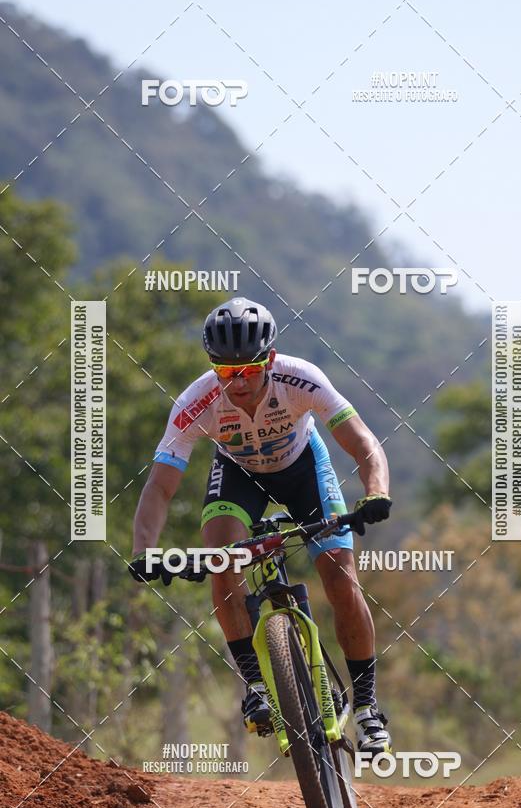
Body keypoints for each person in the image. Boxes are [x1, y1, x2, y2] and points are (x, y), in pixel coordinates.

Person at [129, 297, 392, 755]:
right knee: (221, 561)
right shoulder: (196, 402)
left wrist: (375, 492)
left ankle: (368, 707)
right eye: (227, 373)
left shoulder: (300, 379)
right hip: (238, 476)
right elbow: (160, 487)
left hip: (304, 469)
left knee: (338, 573)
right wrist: (144, 550)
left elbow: (364, 443)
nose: (239, 383)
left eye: (249, 370)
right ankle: (256, 683)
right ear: (213, 366)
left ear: (269, 359)